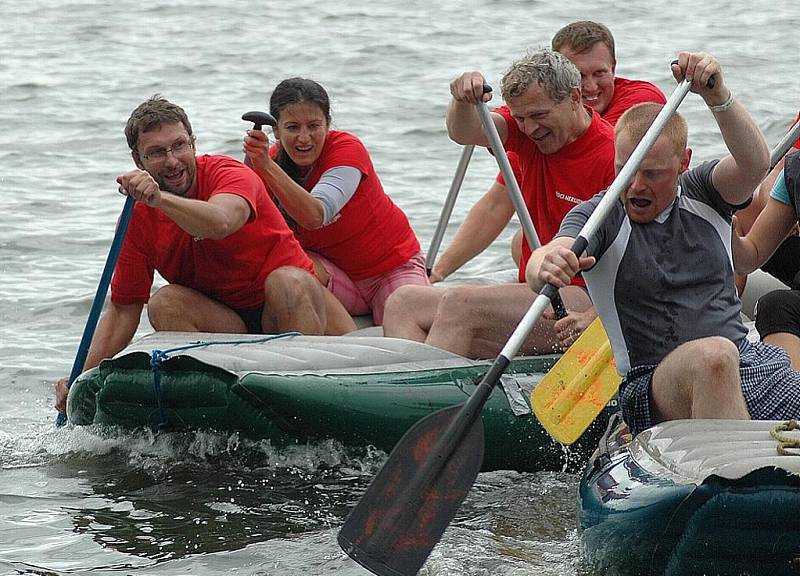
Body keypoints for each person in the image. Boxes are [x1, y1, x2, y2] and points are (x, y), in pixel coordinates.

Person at [528, 53, 800, 436]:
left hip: (751, 364)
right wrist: (547, 261)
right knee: (713, 356)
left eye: (652, 174)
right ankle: (742, 477)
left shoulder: (706, 191)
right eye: (625, 170)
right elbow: (552, 251)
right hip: (653, 384)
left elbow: (755, 165)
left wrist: (717, 95)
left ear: (683, 163)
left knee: (725, 356)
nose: (635, 185)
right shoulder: (602, 213)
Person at [55, 95, 347, 412]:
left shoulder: (230, 173)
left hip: (290, 309)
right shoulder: (137, 217)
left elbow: (220, 222)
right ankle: (220, 405)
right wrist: (80, 379)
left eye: (179, 146)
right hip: (228, 322)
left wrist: (159, 200)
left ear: (193, 144)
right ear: (139, 161)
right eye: (156, 153)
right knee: (164, 302)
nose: (172, 161)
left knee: (288, 281)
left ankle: (303, 404)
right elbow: (124, 310)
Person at [383, 48, 616, 358]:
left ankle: (420, 396)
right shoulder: (526, 133)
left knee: (458, 306)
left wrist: (595, 318)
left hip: (582, 300)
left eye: (539, 115)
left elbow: (643, 254)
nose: (530, 128)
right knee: (403, 302)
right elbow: (464, 132)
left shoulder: (611, 154)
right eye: (521, 118)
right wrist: (463, 101)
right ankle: (415, 389)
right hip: (532, 290)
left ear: (575, 98)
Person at [243, 78, 428, 327]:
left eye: (314, 125)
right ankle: (336, 339)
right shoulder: (267, 162)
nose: (304, 138)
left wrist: (265, 166)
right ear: (276, 131)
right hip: (335, 277)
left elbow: (315, 216)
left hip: (390, 269)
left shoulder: (346, 148)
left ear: (328, 124)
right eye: (293, 127)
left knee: (408, 321)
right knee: (283, 263)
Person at [506, 20, 667, 267]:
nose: (589, 86)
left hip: (600, 264)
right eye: (579, 76)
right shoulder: (535, 117)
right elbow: (498, 198)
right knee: (521, 242)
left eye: (599, 73)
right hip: (563, 250)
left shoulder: (640, 102)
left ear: (613, 68)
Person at [734, 129, 800, 369]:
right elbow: (751, 254)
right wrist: (728, 230)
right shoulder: (794, 171)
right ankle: (792, 398)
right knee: (774, 305)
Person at [733, 110, 800, 295]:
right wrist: (730, 236)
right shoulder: (795, 168)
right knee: (773, 307)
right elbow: (777, 173)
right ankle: (726, 306)